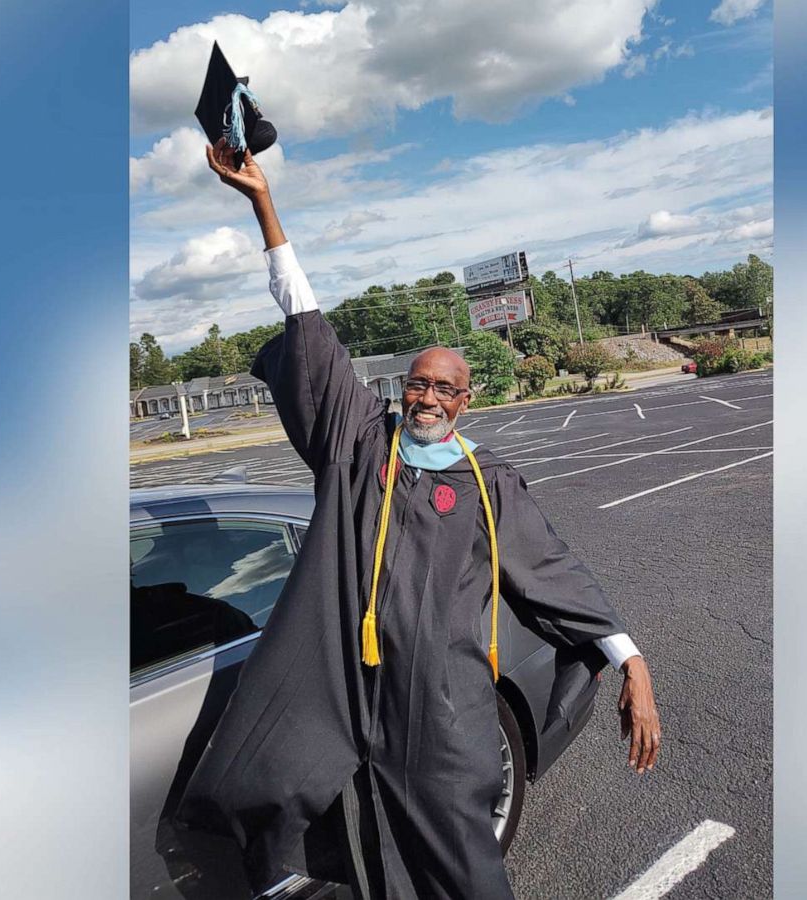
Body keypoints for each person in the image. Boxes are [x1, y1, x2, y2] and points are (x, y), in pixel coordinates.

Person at [178, 138, 662, 900]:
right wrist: (265, 205)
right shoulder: (361, 445)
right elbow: (311, 333)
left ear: (466, 400)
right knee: (368, 867)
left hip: (443, 720)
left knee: (467, 876)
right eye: (417, 383)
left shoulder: (487, 484)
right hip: (348, 705)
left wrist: (628, 659)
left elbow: (553, 572)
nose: (427, 397)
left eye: (444, 388)